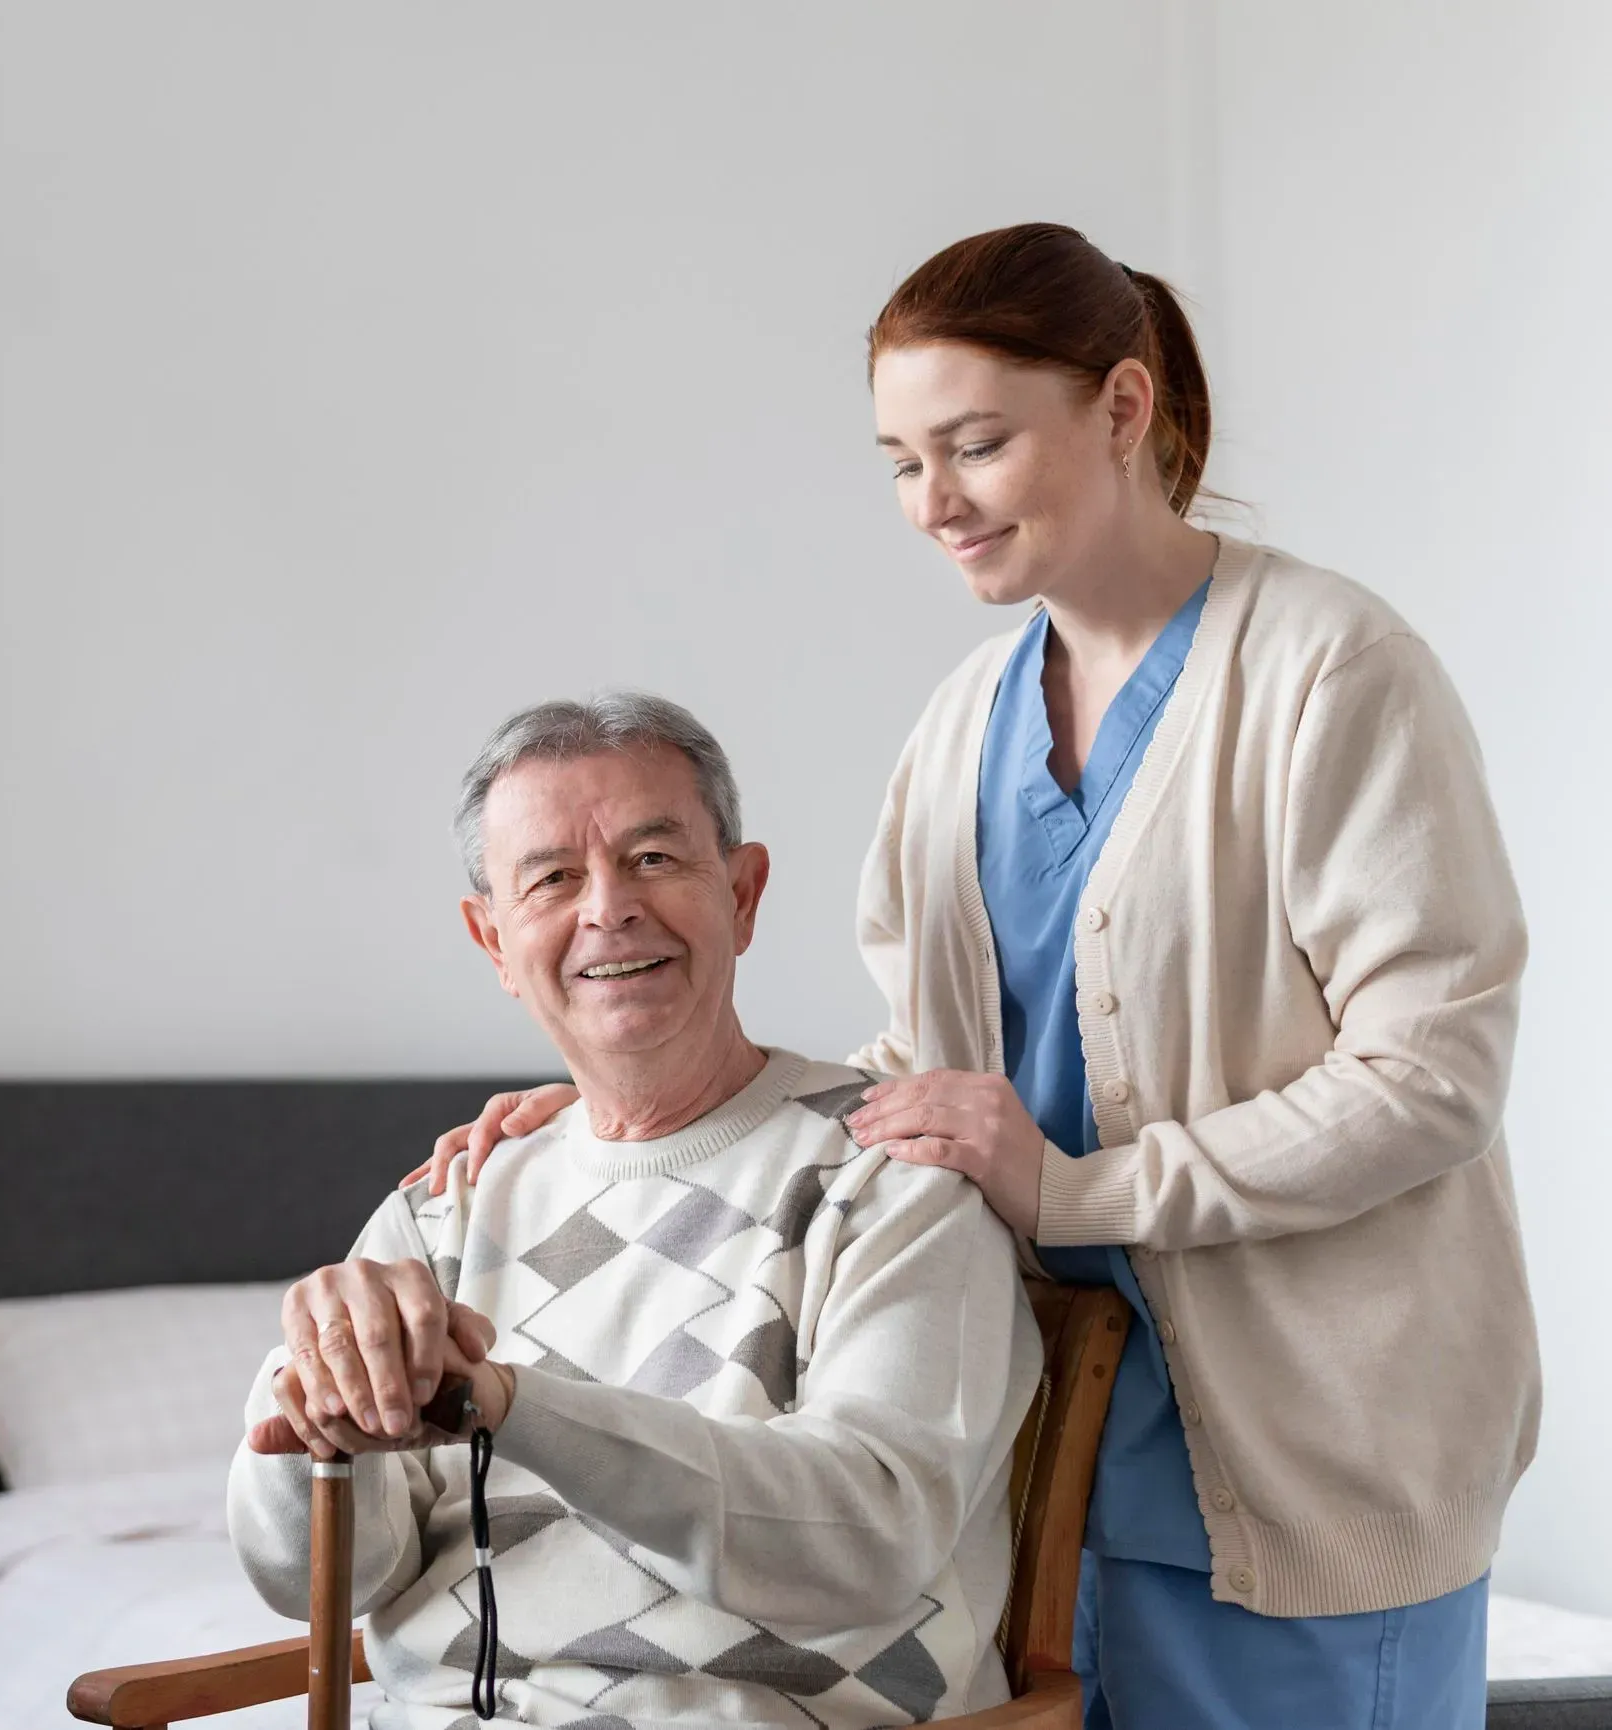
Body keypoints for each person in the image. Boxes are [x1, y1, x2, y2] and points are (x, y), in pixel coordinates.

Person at [409, 224, 1540, 1730]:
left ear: (1123, 408)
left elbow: (1432, 1079)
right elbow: (916, 1089)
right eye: (897, 461)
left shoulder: (1330, 672)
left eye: (976, 445)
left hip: (1311, 1454)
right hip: (1041, 1469)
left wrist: (1076, 1192)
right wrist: (621, 1090)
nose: (931, 503)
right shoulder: (964, 724)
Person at [231, 694, 1043, 1730]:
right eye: (551, 878)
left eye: (653, 858)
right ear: (492, 937)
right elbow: (330, 1580)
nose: (607, 908)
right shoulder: (443, 1207)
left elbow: (867, 1535)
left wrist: (514, 1405)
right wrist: (310, 1397)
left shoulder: (889, 1178)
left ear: (742, 893)